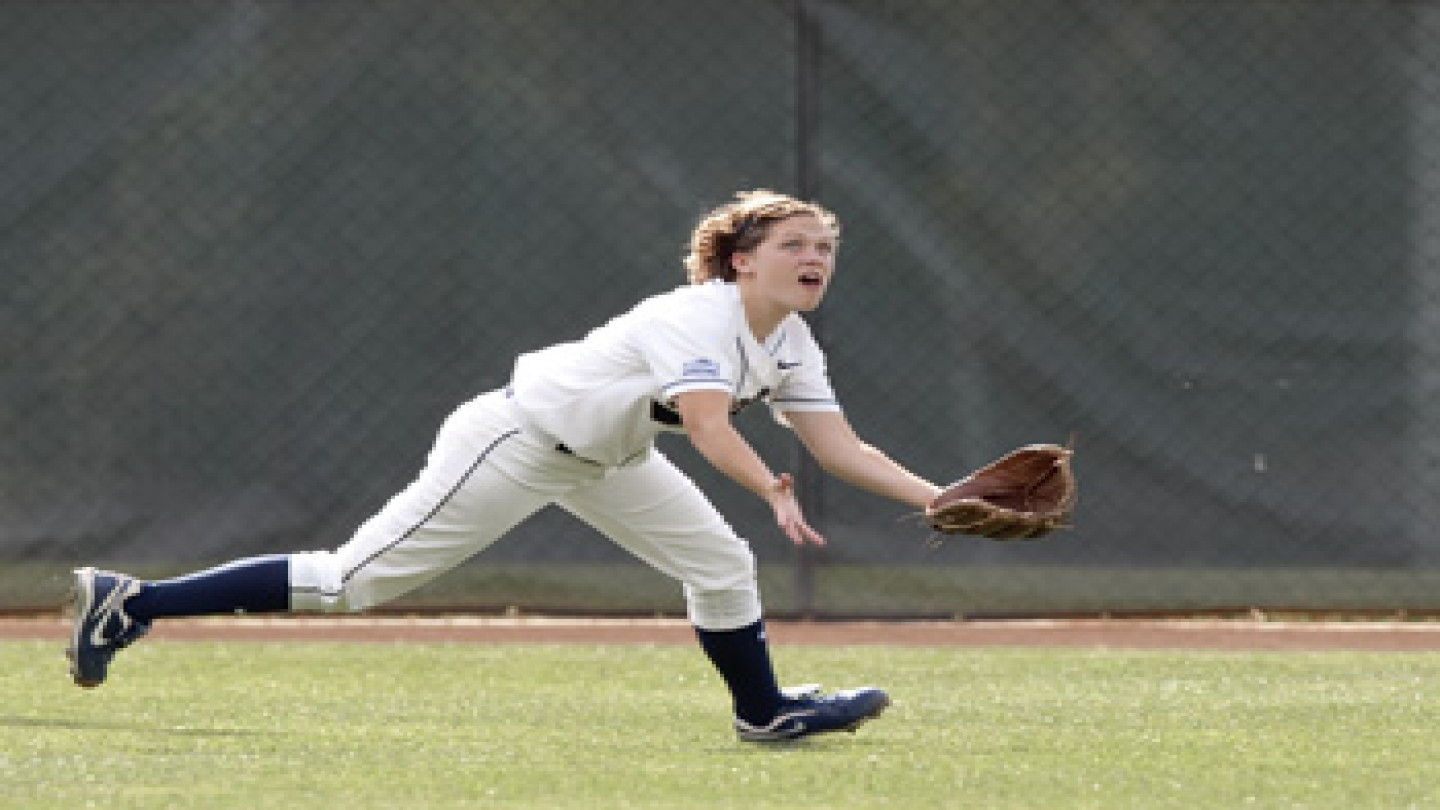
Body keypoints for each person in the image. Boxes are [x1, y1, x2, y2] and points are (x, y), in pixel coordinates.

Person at [66, 189, 944, 742]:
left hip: (609, 456)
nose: (816, 257)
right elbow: (713, 428)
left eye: (825, 246)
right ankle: (132, 601)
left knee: (719, 564)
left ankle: (764, 711)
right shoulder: (698, 316)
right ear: (741, 260)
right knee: (351, 583)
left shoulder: (786, 341)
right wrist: (770, 489)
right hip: (517, 441)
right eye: (796, 243)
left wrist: (943, 499)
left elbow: (840, 447)